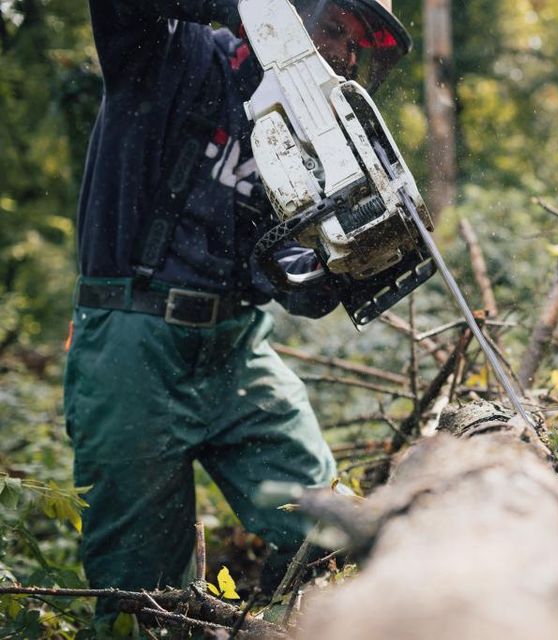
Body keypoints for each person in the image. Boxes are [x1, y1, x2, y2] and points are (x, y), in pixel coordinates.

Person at [65, 0, 412, 626]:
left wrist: (336, 267)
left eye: (359, 47)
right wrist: (239, 7)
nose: (343, 54)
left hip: (236, 348)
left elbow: (282, 278)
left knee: (320, 528)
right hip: (132, 344)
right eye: (334, 29)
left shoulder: (319, 143)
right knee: (140, 591)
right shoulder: (176, 51)